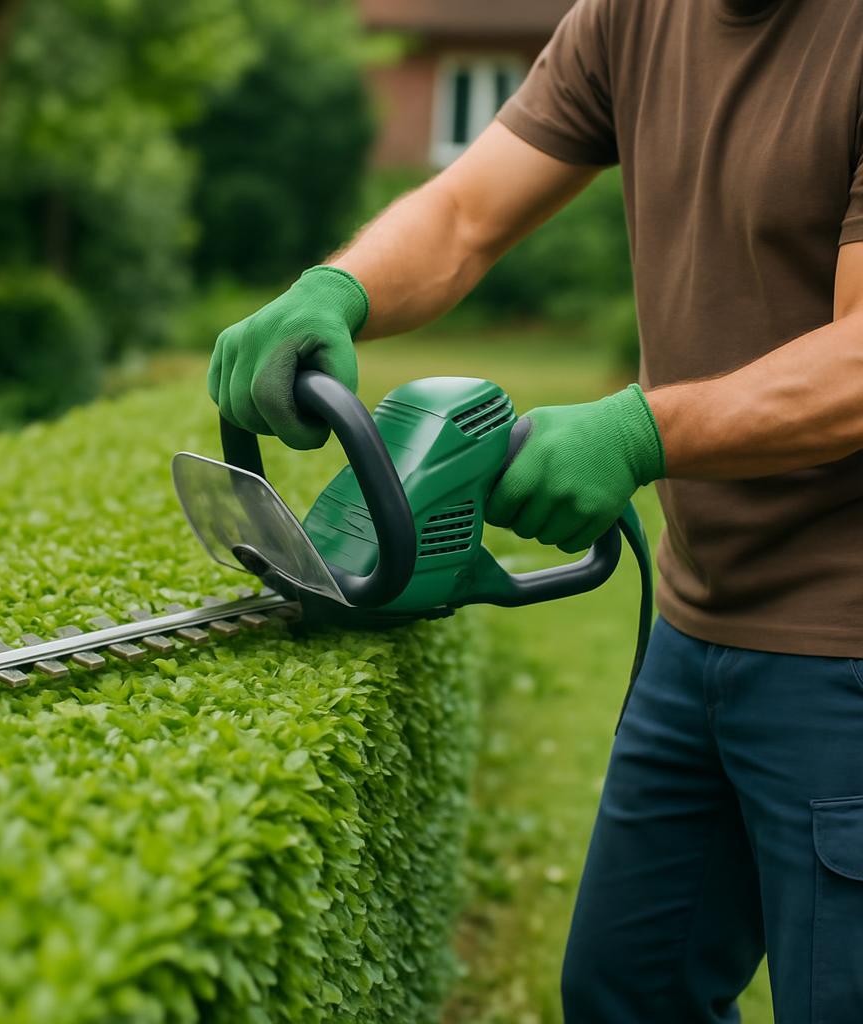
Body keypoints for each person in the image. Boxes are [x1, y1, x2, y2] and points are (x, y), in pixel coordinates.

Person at [207, 0, 863, 1019]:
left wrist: (638, 435)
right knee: (624, 992)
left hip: (843, 653)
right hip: (698, 625)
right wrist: (336, 289)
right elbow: (466, 214)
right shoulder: (636, 15)